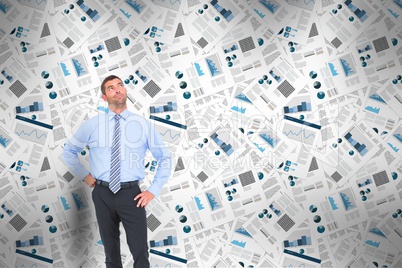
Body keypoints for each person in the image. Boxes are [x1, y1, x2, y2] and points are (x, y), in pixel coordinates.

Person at [62, 74, 172, 268]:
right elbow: (69, 151)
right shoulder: (93, 125)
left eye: (120, 85)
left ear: (125, 90)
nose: (117, 89)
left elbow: (165, 158)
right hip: (102, 194)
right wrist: (84, 175)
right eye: (111, 87)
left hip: (132, 195)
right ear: (105, 97)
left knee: (139, 251)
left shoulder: (143, 125)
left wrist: (153, 190)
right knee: (110, 253)